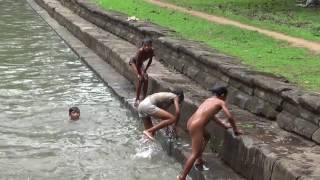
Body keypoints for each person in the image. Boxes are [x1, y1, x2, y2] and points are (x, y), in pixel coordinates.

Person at [177, 86, 243, 180]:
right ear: (223, 95)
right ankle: (182, 177)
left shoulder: (208, 100)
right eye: (226, 96)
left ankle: (199, 160)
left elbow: (210, 115)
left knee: (207, 136)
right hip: (197, 126)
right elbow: (230, 117)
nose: (226, 99)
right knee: (194, 153)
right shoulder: (221, 102)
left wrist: (224, 125)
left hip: (190, 122)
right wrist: (235, 129)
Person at [129, 38, 154, 107]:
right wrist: (138, 74)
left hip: (140, 64)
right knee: (141, 79)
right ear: (142, 46)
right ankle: (137, 99)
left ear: (151, 46)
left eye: (148, 46)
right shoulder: (140, 51)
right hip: (134, 62)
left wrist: (145, 70)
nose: (146, 47)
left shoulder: (151, 51)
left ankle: (143, 97)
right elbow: (137, 64)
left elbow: (150, 61)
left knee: (146, 78)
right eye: (145, 45)